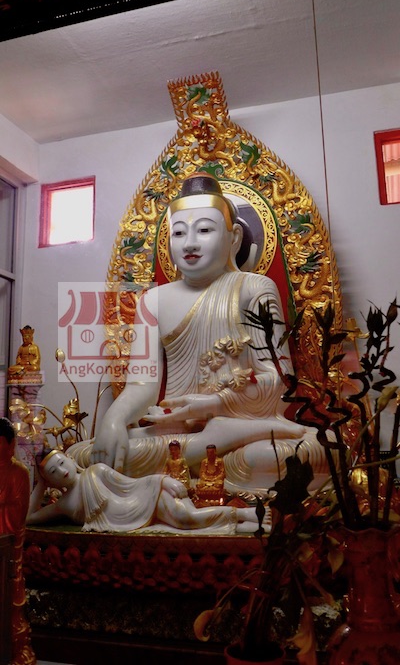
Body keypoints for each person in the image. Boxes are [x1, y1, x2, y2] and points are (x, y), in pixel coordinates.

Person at [69, 173, 330, 494]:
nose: (190, 243)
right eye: (179, 232)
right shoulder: (152, 301)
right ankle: (204, 452)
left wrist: (213, 405)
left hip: (247, 430)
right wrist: (113, 421)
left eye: (204, 230)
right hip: (177, 433)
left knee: (294, 454)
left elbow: (280, 380)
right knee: (81, 456)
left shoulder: (254, 288)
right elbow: (141, 386)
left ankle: (196, 460)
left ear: (234, 237)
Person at [27, 449, 270, 535]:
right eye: (53, 472)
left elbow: (132, 484)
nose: (62, 471)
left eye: (62, 463)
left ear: (70, 459)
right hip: (134, 522)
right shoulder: (63, 504)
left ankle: (246, 514)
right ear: (50, 480)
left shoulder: (95, 471)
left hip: (144, 502)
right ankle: (247, 527)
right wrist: (39, 484)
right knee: (188, 525)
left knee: (187, 519)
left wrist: (163, 480)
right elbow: (28, 518)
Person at [0, 417, 35, 665]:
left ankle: (14, 649)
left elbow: (18, 512)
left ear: (11, 444)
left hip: (7, 545)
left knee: (9, 596)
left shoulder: (19, 473)